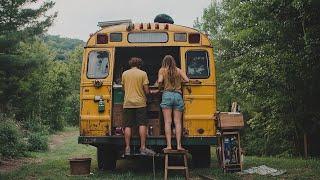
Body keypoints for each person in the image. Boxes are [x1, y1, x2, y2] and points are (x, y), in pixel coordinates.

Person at [122, 57, 155, 156]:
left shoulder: (125, 74)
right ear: (139, 65)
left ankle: (127, 148)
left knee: (127, 125)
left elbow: (123, 88)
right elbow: (146, 90)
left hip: (128, 103)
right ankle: (143, 147)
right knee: (142, 124)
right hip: (140, 103)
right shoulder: (143, 74)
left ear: (130, 64)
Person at [157, 55, 189, 151]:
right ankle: (179, 146)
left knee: (168, 122)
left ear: (164, 62)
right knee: (178, 122)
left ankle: (169, 145)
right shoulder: (178, 70)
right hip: (178, 95)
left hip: (167, 95)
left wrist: (160, 88)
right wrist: (180, 81)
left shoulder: (162, 70)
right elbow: (187, 80)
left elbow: (159, 81)